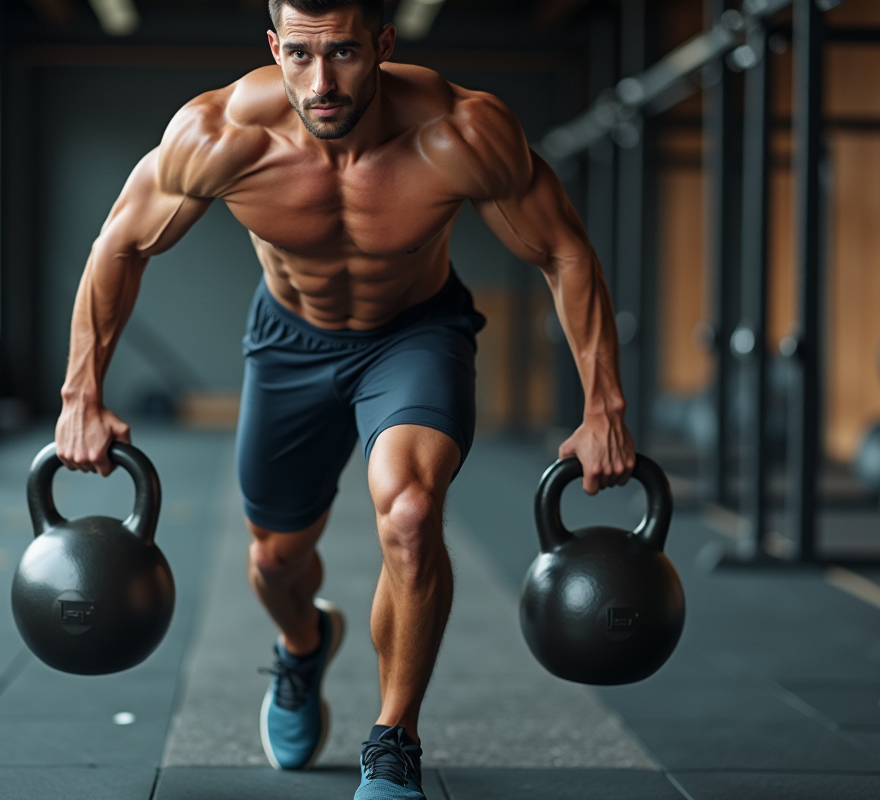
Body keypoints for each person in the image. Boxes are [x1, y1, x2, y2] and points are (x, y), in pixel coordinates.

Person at [54, 0, 635, 797]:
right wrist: (80, 394)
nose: (320, 82)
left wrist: (604, 406)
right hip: (290, 342)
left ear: (384, 45)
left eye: (345, 55)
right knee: (274, 559)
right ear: (273, 46)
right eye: (298, 55)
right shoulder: (221, 134)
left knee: (409, 514)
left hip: (415, 335)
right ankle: (303, 643)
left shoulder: (461, 131)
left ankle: (394, 740)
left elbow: (564, 250)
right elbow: (119, 244)